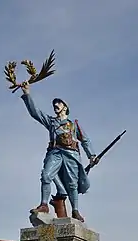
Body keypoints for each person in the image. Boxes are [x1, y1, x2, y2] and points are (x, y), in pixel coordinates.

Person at [20, 81, 98, 222]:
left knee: (72, 183)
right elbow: (35, 112)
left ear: (65, 107)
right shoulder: (51, 122)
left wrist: (91, 155)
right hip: (55, 153)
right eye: (54, 104)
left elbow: (85, 140)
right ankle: (44, 204)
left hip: (71, 154)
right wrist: (27, 94)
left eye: (59, 103)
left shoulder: (73, 125)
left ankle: (75, 211)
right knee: (45, 176)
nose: (56, 106)